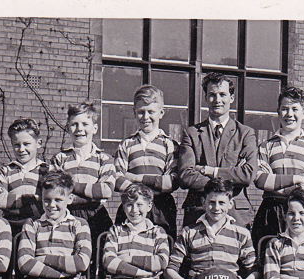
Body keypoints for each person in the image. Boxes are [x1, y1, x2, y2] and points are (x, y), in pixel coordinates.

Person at [177, 72, 258, 228]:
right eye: (212, 95)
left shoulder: (245, 133)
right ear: (206, 98)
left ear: (231, 98)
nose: (217, 100)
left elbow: (248, 174)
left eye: (222, 94)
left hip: (236, 213)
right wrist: (230, 176)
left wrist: (211, 171)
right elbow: (185, 175)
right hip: (198, 210)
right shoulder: (192, 133)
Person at [251, 86, 304, 250]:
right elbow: (261, 180)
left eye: (294, 109)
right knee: (267, 256)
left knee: (302, 257)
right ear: (278, 112)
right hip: (271, 212)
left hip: (302, 212)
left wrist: (277, 186)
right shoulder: (265, 147)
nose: (289, 114)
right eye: (284, 109)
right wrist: (298, 180)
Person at [113, 85, 179, 240]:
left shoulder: (170, 145)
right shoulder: (127, 144)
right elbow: (116, 178)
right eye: (141, 112)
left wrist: (135, 178)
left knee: (162, 244)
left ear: (161, 113)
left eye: (151, 111)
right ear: (134, 112)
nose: (146, 116)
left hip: (160, 208)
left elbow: (170, 182)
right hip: (132, 205)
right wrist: (140, 194)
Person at [50, 102, 116, 253]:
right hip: (66, 216)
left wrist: (71, 186)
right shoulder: (59, 159)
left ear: (95, 128)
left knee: (97, 256)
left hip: (95, 216)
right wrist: (91, 195)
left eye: (85, 124)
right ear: (68, 128)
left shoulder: (104, 159)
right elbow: (55, 191)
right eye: (74, 124)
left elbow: (105, 191)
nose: (79, 129)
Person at [0, 118, 50, 236]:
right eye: (16, 145)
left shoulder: (46, 171)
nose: (21, 149)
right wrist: (33, 197)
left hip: (38, 227)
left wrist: (12, 198)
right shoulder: (6, 171)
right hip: (10, 227)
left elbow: (49, 199)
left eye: (26, 144)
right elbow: (0, 201)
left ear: (38, 143)